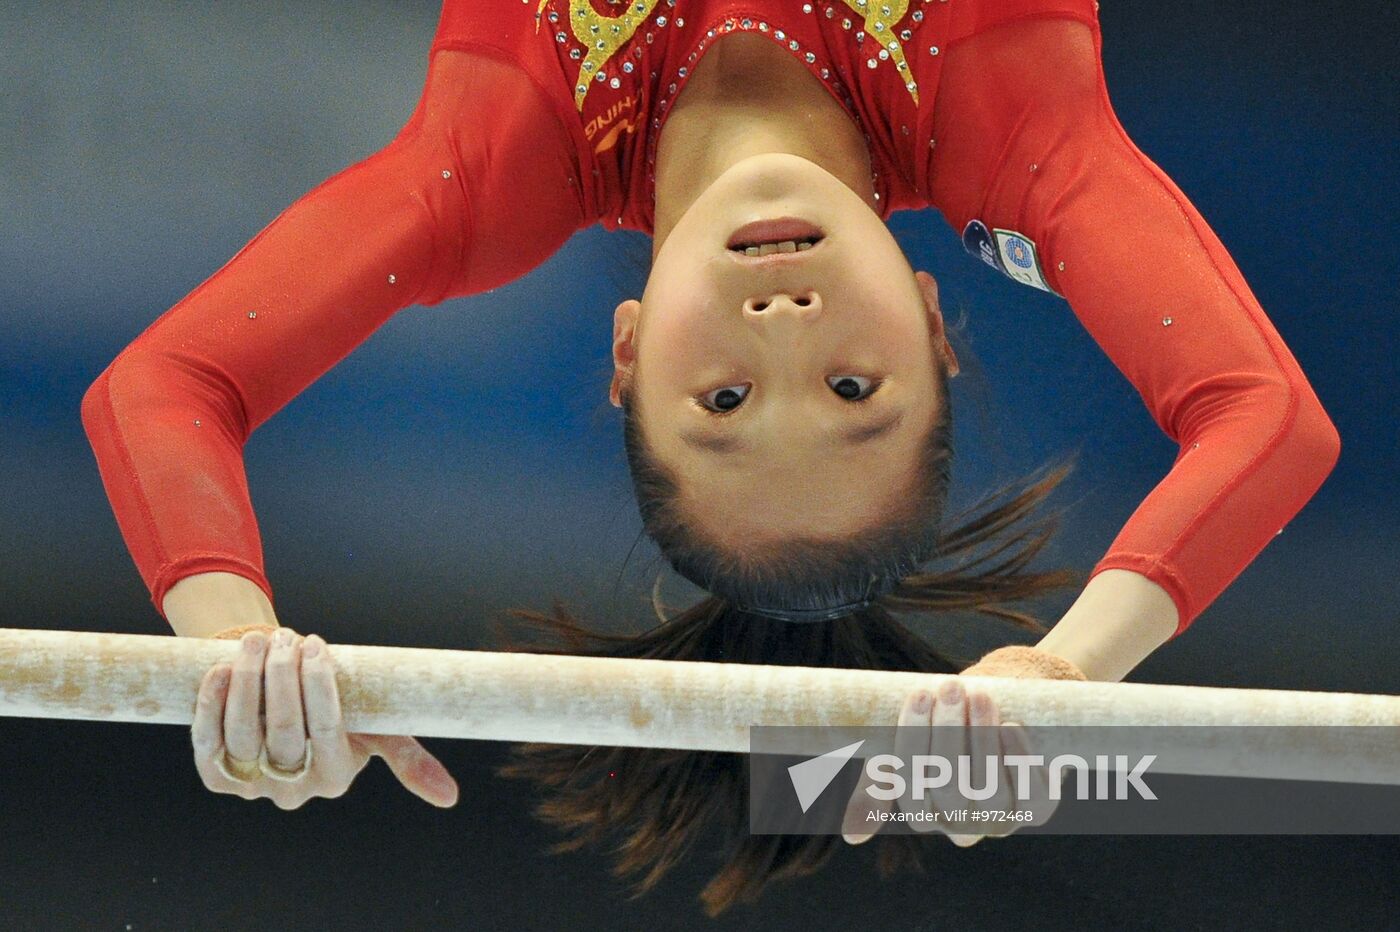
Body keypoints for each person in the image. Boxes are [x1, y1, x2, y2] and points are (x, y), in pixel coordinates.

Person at [80, 0, 1340, 913]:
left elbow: (163, 386)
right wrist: (1065, 667)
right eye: (854, 388)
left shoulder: (489, 166)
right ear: (931, 321)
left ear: (624, 355)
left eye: (723, 398)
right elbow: (1265, 417)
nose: (782, 329)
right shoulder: (1012, 120)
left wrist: (233, 654)